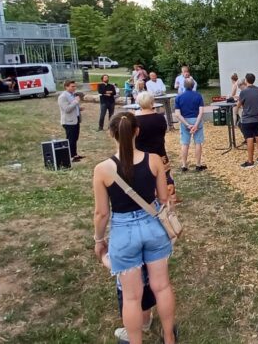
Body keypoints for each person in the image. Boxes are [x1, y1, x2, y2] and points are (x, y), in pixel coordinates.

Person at [92, 112, 177, 344]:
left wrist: (98, 240)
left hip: (123, 231)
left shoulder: (102, 169)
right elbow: (162, 197)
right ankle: (169, 338)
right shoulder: (154, 160)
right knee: (162, 286)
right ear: (137, 132)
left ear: (112, 134)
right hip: (153, 227)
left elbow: (101, 213)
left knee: (131, 297)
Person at [102, 253, 157, 342]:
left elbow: (114, 262)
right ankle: (145, 322)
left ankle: (131, 333)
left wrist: (102, 255)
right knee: (146, 290)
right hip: (148, 268)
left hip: (127, 271)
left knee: (130, 301)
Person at [133, 92, 177, 203]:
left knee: (145, 179)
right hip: (159, 152)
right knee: (165, 176)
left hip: (142, 155)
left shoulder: (134, 121)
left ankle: (149, 199)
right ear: (152, 102)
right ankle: (169, 199)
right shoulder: (160, 118)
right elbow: (163, 132)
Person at [175, 78, 206, 172]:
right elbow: (201, 112)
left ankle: (184, 165)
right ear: (193, 85)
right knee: (198, 143)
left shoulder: (179, 97)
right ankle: (198, 164)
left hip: (185, 120)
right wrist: (196, 124)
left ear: (184, 85)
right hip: (197, 119)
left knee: (185, 143)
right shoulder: (198, 96)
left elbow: (177, 114)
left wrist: (187, 124)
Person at [236, 73, 258, 168]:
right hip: (257, 117)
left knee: (249, 138)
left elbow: (239, 104)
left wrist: (236, 111)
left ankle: (250, 161)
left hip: (247, 119)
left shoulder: (244, 92)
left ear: (246, 81)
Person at [58, 80, 84, 162]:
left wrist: (79, 109)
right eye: (72, 86)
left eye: (75, 86)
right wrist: (76, 101)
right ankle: (70, 156)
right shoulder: (63, 97)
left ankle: (75, 154)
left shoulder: (72, 95)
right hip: (68, 122)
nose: (74, 88)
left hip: (75, 120)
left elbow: (72, 106)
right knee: (71, 139)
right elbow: (67, 109)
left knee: (75, 138)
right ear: (66, 87)